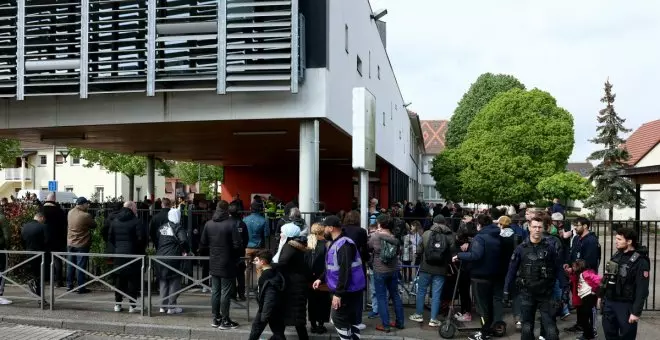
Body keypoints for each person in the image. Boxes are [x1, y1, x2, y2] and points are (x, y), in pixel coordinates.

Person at [504, 216, 566, 340]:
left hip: (546, 293)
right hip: (527, 293)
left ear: (543, 228)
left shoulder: (550, 248)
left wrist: (565, 287)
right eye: (534, 227)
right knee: (526, 328)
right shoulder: (521, 249)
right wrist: (506, 290)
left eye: (539, 227)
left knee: (551, 328)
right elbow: (511, 271)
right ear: (529, 228)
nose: (537, 229)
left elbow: (558, 268)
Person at [313, 215, 366, 340]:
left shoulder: (343, 245)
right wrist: (321, 278)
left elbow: (344, 270)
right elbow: (333, 267)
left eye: (325, 227)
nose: (324, 229)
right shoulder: (339, 243)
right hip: (351, 289)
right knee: (352, 320)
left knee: (338, 318)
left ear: (331, 228)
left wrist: (338, 294)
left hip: (346, 291)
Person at [452, 214, 502, 340]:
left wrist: (460, 255)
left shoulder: (480, 238)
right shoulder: (496, 235)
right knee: (489, 305)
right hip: (493, 275)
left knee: (481, 307)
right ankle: (489, 329)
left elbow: (476, 255)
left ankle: (484, 333)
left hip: (480, 275)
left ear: (479, 225)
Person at [601, 227, 650, 340]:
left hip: (626, 305)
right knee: (609, 333)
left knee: (627, 335)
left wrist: (636, 312)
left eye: (619, 239)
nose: (616, 241)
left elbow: (642, 289)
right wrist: (600, 295)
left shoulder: (640, 261)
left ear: (629, 241)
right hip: (610, 302)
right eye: (616, 238)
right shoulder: (617, 255)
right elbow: (607, 277)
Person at [200, 200, 242, 330]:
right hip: (227, 261)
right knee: (225, 292)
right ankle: (225, 320)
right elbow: (237, 245)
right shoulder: (231, 224)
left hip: (214, 260)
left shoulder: (209, 224)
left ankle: (215, 318)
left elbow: (203, 242)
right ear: (227, 210)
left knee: (215, 292)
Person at [409, 214, 454, 327]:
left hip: (425, 268)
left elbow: (419, 250)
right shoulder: (450, 235)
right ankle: (433, 319)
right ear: (444, 223)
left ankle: (418, 315)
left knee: (421, 291)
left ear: (434, 222)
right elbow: (452, 252)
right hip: (441, 269)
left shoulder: (426, 234)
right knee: (436, 294)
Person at [273, 223, 309, 339]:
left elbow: (283, 263)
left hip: (292, 286)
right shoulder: (297, 245)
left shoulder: (289, 246)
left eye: (282, 232)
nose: (281, 234)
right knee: (295, 316)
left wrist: (270, 266)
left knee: (295, 317)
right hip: (297, 284)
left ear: (288, 234)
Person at [109, 201, 143, 313]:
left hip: (119, 254)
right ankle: (132, 306)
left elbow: (110, 238)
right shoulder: (136, 221)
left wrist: (117, 248)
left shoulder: (115, 221)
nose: (137, 210)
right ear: (131, 208)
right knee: (132, 280)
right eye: (136, 207)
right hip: (132, 255)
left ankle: (117, 304)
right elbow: (141, 239)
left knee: (119, 280)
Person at [155, 208, 189, 314]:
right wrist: (185, 251)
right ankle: (171, 307)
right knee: (174, 281)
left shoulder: (162, 227)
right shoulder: (178, 228)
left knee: (163, 281)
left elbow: (157, 240)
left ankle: (162, 306)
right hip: (173, 258)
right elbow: (184, 240)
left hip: (160, 257)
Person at [248, 249, 286, 340]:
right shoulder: (273, 272)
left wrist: (264, 314)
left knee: (256, 330)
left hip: (266, 309)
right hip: (274, 309)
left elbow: (270, 297)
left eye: (256, 260)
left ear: (263, 262)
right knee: (278, 333)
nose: (254, 263)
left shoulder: (265, 277)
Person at [66, 197, 96, 293]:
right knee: (80, 266)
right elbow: (94, 225)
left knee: (70, 265)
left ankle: (69, 285)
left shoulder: (70, 212)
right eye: (87, 204)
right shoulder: (85, 215)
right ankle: (81, 287)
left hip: (70, 242)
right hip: (81, 243)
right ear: (83, 204)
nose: (88, 205)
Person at [306, 223, 331, 334]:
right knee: (323, 301)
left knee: (312, 302)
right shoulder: (326, 244)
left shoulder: (308, 243)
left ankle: (313, 325)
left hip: (310, 278)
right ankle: (321, 324)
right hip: (323, 277)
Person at [21, 212, 49, 306]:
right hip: (40, 254)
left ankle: (33, 284)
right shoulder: (43, 227)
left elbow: (22, 240)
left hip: (28, 253)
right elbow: (47, 241)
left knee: (36, 275)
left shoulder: (25, 226)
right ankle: (40, 299)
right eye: (44, 219)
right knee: (40, 277)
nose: (44, 221)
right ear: (41, 217)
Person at [568, 259, 601, 340]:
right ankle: (588, 334)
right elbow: (573, 280)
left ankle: (589, 334)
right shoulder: (579, 274)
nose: (572, 268)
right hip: (584, 296)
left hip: (588, 296)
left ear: (579, 266)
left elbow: (598, 280)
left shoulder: (586, 273)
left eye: (574, 266)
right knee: (583, 318)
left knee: (585, 317)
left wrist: (594, 290)